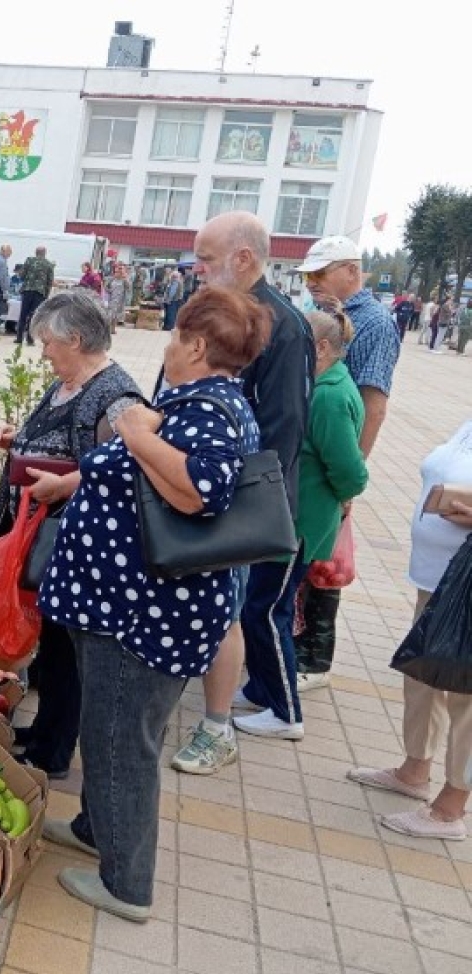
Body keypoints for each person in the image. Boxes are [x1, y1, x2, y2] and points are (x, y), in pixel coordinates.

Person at [40, 287, 266, 921]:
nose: (165, 347)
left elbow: (201, 491)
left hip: (144, 616)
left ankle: (126, 884)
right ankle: (95, 827)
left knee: (122, 743)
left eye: (174, 336)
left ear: (196, 345)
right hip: (127, 607)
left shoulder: (208, 408)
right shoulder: (199, 401)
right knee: (108, 728)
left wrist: (137, 432)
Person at [170, 212, 314, 773]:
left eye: (206, 258)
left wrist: (234, 506)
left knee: (236, 611)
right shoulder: (225, 314)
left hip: (244, 505)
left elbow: (283, 430)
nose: (198, 269)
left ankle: (234, 719)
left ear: (244, 259)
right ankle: (236, 695)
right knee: (224, 611)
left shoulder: (283, 325)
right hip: (213, 493)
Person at [0, 290, 144, 779]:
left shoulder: (118, 396)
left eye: (48, 342)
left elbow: (132, 464)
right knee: (50, 645)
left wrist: (66, 483)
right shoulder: (69, 382)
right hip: (44, 535)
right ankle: (44, 730)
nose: (43, 351)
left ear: (75, 339)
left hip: (74, 541)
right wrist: (18, 438)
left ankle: (53, 752)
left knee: (66, 651)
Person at [347, 419, 472, 840]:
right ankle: (414, 768)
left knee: (467, 699)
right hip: (437, 577)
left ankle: (451, 808)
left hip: (466, 584)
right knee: (424, 677)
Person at [291, 310, 369, 686]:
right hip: (311, 511)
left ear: (321, 348)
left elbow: (350, 472)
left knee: (296, 594)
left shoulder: (330, 395)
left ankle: (297, 671)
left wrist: (342, 498)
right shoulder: (326, 385)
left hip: (311, 515)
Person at [298, 235, 401, 457]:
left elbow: (373, 408)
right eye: (307, 275)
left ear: (352, 271)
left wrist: (351, 477)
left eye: (318, 273)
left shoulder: (376, 323)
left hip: (331, 454)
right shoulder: (322, 311)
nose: (310, 283)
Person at [15, 246, 55, 346]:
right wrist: (46, 295)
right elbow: (49, 281)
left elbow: (22, 275)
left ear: (36, 252)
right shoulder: (48, 264)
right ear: (45, 253)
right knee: (34, 316)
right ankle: (30, 339)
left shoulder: (29, 261)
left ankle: (19, 338)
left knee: (23, 314)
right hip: (39, 292)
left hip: (27, 290)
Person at [105, 265, 130, 333]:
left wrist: (125, 278)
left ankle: (113, 328)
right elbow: (106, 287)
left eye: (118, 272)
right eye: (115, 272)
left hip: (120, 300)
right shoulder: (111, 279)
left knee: (116, 315)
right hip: (112, 299)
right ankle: (108, 328)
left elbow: (128, 288)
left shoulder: (124, 280)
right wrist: (109, 291)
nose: (117, 274)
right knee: (110, 314)